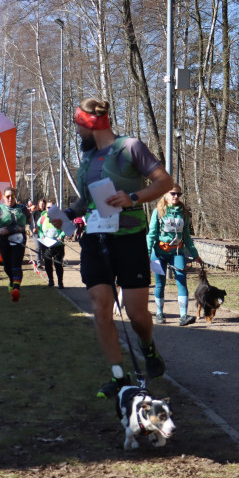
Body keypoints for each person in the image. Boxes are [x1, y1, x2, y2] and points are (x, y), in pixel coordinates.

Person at [63, 97, 174, 396]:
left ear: (90, 125)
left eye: (78, 127)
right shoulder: (86, 160)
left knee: (137, 315)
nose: (77, 133)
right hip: (95, 240)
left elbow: (165, 182)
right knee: (101, 310)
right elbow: (84, 202)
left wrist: (133, 198)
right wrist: (65, 215)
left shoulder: (130, 147)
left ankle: (147, 347)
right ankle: (117, 376)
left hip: (130, 238)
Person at [147, 186, 202, 326]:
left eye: (178, 194)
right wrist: (147, 253)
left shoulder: (183, 213)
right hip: (158, 254)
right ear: (166, 194)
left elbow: (187, 237)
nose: (176, 196)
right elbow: (151, 234)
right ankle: (159, 313)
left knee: (182, 281)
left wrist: (195, 254)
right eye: (173, 193)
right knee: (160, 283)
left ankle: (183, 316)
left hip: (177, 253)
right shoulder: (158, 212)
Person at [0, 188, 28, 301]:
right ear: (3, 197)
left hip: (19, 240)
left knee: (16, 264)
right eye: (7, 196)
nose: (10, 198)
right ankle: (12, 280)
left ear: (15, 196)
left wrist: (33, 227)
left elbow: (30, 220)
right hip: (4, 240)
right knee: (7, 266)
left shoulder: (22, 208)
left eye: (12, 196)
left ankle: (16, 290)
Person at [36, 200, 66, 288]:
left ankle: (60, 282)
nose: (50, 209)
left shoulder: (60, 217)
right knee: (48, 264)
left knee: (58, 264)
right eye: (48, 207)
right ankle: (51, 281)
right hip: (47, 246)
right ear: (45, 208)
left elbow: (65, 229)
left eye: (52, 207)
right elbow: (39, 229)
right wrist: (42, 236)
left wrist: (61, 236)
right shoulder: (42, 218)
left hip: (58, 245)